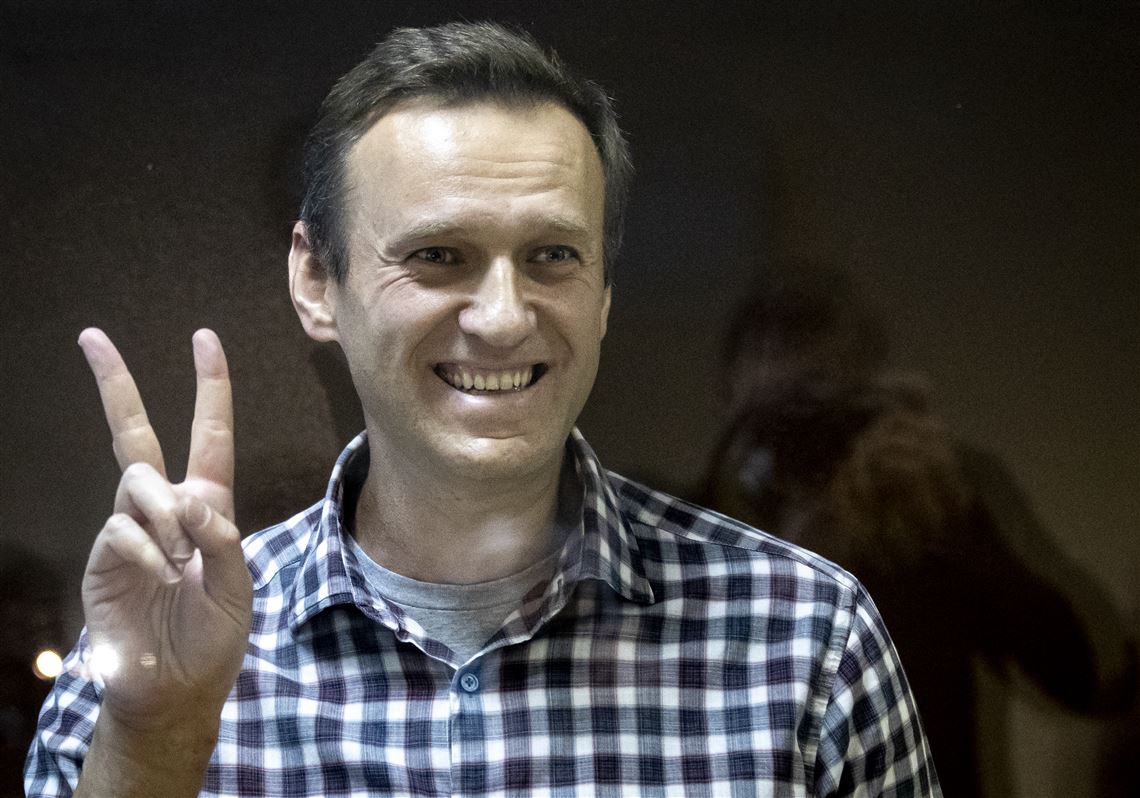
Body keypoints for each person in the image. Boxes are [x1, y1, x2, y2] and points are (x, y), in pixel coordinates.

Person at [26, 23, 941, 797]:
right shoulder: (154, 660)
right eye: (438, 256)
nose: (503, 318)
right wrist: (157, 741)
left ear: (604, 292)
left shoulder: (806, 641)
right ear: (315, 280)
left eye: (552, 256)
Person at [700, 265, 1138, 796]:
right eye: (778, 421)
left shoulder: (930, 514)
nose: (808, 445)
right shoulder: (685, 542)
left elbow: (1092, 681)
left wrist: (959, 522)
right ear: (728, 414)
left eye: (832, 416)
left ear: (873, 405)